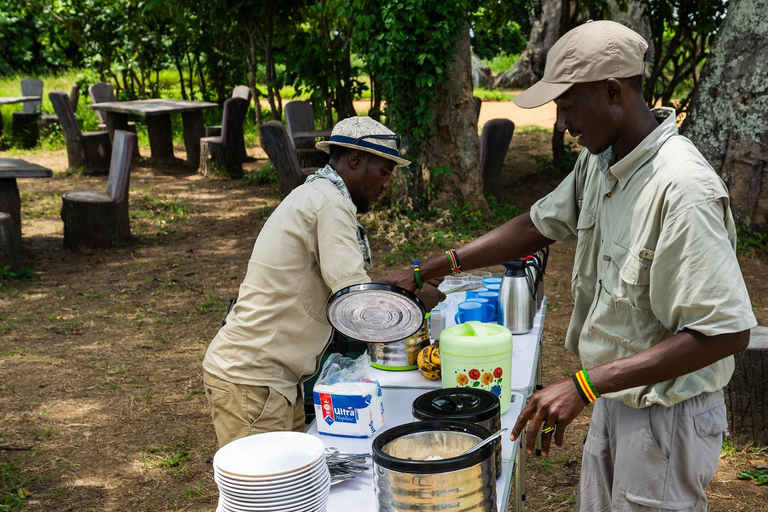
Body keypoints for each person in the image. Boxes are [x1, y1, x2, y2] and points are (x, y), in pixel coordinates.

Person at [381, 20, 756, 511]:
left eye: (567, 105)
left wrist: (584, 385)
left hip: (667, 413)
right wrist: (432, 267)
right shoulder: (602, 159)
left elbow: (726, 333)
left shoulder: (682, 190)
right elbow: (537, 224)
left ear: (613, 91)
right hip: (616, 392)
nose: (561, 123)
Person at [203, 116, 444, 447]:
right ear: (356, 160)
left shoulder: (318, 194)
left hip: (273, 378)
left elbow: (347, 289)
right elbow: (357, 308)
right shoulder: (331, 205)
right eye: (384, 172)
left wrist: (397, 288)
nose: (386, 184)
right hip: (254, 378)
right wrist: (416, 304)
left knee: (292, 477)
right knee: (267, 481)